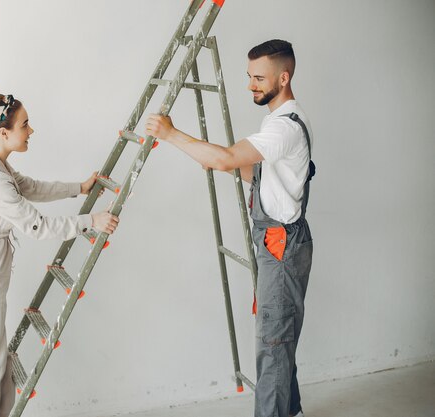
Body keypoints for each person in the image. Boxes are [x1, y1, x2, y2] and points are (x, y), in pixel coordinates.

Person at [145, 40, 313, 417]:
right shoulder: (278, 121)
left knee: (273, 342)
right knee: (279, 337)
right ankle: (293, 411)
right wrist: (216, 160)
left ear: (283, 78)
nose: (251, 85)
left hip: (281, 247)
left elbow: (227, 158)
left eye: (259, 78)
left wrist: (173, 136)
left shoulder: (283, 128)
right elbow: (260, 172)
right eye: (249, 77)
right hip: (280, 243)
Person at [0, 89, 119, 417]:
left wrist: (77, 188)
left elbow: (31, 188)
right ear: (4, 133)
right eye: (26, 125)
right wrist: (91, 221)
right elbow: (36, 226)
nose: (31, 131)